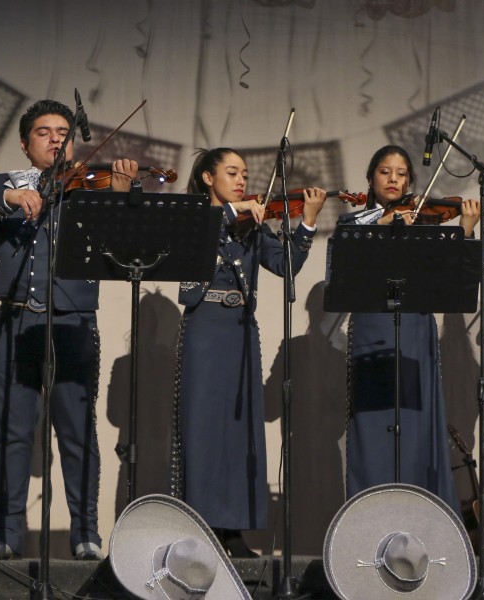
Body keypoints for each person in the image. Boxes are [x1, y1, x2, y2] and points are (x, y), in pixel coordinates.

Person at [0, 99, 139, 560]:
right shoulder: (3, 185)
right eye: (44, 131)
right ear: (25, 143)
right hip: (15, 323)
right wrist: (9, 199)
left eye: (63, 131)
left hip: (73, 325)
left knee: (77, 433)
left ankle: (86, 535)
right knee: (12, 433)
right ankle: (7, 536)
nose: (56, 138)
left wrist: (120, 196)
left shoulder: (89, 189)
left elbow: (126, 250)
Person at [172, 147, 327, 558]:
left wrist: (307, 219)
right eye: (232, 172)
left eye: (244, 173)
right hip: (205, 327)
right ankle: (202, 523)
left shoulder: (253, 222)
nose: (242, 180)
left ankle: (233, 528)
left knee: (240, 430)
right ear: (208, 177)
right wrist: (230, 214)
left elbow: (284, 264)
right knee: (204, 427)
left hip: (241, 328)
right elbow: (191, 260)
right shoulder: (195, 216)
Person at [340, 144, 479, 516]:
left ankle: (423, 520)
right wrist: (382, 225)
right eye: (385, 172)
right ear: (370, 177)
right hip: (372, 331)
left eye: (401, 174)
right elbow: (345, 256)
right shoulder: (354, 224)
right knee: (372, 427)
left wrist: (464, 230)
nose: (393, 179)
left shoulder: (424, 225)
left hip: (416, 330)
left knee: (417, 429)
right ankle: (369, 518)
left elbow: (452, 281)